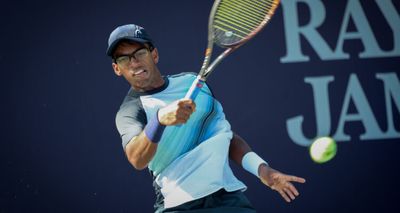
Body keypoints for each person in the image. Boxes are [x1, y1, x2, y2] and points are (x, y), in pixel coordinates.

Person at [107, 24, 306, 213]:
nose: (134, 63)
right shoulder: (130, 111)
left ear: (154, 54)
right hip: (179, 206)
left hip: (229, 200)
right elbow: (137, 159)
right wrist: (159, 120)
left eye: (140, 53)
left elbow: (224, 136)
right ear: (117, 69)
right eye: (124, 59)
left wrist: (263, 170)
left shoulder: (192, 83)